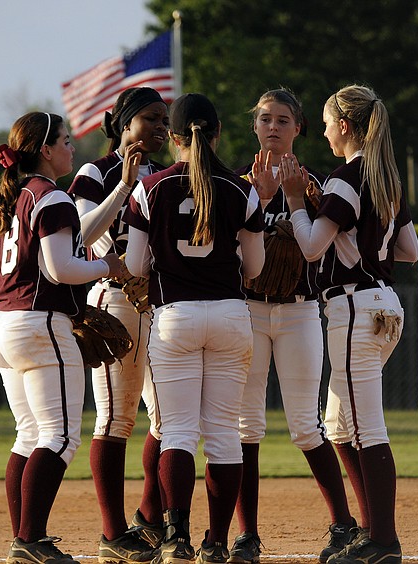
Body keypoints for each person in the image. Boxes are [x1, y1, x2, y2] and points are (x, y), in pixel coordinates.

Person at [278, 85, 418, 564]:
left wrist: (298, 202)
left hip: (355, 307)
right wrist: (352, 230)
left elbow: (313, 246)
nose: (321, 130)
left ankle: (384, 540)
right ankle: (369, 531)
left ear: (344, 125)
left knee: (365, 427)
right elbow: (410, 251)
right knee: (340, 426)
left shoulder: (346, 177)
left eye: (324, 122)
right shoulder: (385, 179)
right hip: (384, 304)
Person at [122, 93, 266, 564]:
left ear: (177, 139)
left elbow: (136, 263)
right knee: (224, 432)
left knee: (178, 432)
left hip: (175, 318)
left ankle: (175, 539)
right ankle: (218, 544)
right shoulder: (242, 190)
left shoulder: (151, 188)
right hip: (229, 315)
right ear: (219, 133)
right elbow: (256, 269)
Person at [0, 111, 122, 564]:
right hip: (39, 324)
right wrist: (108, 267)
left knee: (29, 435)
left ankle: (24, 537)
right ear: (45, 149)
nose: (71, 148)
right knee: (61, 436)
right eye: (65, 141)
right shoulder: (53, 197)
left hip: (2, 324)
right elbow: (63, 270)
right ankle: (30, 539)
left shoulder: (10, 199)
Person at [229, 88, 357, 564]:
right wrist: (262, 206)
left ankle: (343, 525)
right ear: (254, 126)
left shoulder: (318, 184)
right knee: (247, 426)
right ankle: (248, 536)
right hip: (249, 308)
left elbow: (327, 245)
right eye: (265, 119)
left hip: (302, 309)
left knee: (307, 425)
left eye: (284, 120)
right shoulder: (239, 183)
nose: (273, 127)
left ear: (299, 128)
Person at [66, 87, 170, 563]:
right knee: (116, 417)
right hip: (118, 300)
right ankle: (113, 534)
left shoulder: (170, 173)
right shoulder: (97, 171)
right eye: (149, 117)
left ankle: (149, 517)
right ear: (124, 122)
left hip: (165, 304)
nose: (159, 126)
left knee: (171, 418)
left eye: (163, 118)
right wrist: (124, 185)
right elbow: (81, 237)